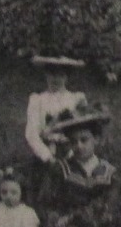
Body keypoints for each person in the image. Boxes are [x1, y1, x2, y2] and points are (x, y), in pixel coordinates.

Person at [34, 105, 121, 227]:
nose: (79, 146)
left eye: (84, 140)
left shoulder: (110, 173)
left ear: (96, 140)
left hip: (99, 226)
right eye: (74, 142)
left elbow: (109, 205)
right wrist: (55, 218)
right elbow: (46, 202)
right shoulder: (60, 169)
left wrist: (76, 217)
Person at [23, 56, 89, 188]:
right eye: (52, 74)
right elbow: (31, 133)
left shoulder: (76, 99)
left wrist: (74, 153)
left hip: (72, 152)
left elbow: (84, 130)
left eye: (60, 75)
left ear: (67, 77)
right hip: (47, 153)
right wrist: (47, 157)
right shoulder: (38, 100)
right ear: (46, 75)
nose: (55, 79)